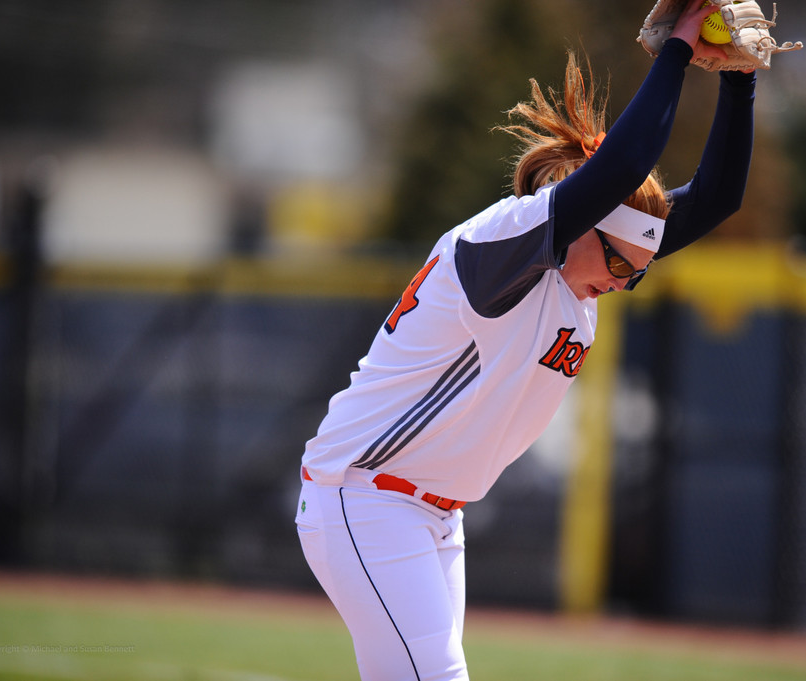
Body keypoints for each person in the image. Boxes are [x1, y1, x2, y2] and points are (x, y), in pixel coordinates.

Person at [295, 0, 756, 678]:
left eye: (640, 270)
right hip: (364, 495)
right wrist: (680, 48)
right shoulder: (504, 247)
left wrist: (740, 82)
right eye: (623, 263)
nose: (629, 281)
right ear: (587, 223)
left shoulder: (585, 268)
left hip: (432, 517)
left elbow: (717, 198)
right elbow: (624, 165)